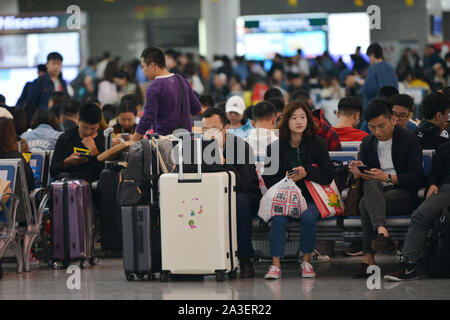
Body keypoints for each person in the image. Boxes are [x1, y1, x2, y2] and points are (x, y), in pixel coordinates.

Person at [349, 99, 424, 278]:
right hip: (377, 194)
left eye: (381, 126)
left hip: (403, 194)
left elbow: (417, 177)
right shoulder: (368, 143)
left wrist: (389, 178)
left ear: (393, 120)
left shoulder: (408, 139)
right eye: (373, 127)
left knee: (364, 204)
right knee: (369, 184)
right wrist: (357, 172)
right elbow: (364, 177)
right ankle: (382, 232)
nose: (378, 132)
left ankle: (369, 259)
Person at [262, 101, 334, 279]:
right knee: (278, 219)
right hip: (284, 197)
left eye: (302, 117)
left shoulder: (318, 143)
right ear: (286, 121)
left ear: (308, 120)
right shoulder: (275, 147)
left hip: (310, 197)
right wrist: (286, 177)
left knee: (309, 217)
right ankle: (275, 265)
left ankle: (307, 261)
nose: (299, 121)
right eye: (293, 118)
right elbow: (268, 178)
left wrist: (307, 171)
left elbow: (327, 175)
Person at [201, 107, 261, 278]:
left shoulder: (240, 147)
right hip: (211, 194)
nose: (209, 134)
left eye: (214, 129)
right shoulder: (199, 147)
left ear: (226, 127)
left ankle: (245, 258)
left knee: (239, 203)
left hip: (243, 194)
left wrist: (223, 164)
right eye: (205, 130)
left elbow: (246, 183)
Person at [385, 140, 450, 281]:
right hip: (447, 189)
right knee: (420, 215)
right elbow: (435, 173)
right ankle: (408, 265)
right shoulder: (445, 148)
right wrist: (432, 184)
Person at [131, 47, 201, 140]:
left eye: (143, 66)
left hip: (165, 143)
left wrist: (132, 141)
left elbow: (148, 118)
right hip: (186, 141)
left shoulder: (154, 87)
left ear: (152, 65)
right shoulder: (181, 79)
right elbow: (196, 108)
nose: (143, 70)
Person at [50, 103, 105, 183]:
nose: (88, 132)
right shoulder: (66, 138)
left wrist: (94, 150)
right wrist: (67, 162)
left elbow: (103, 172)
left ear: (98, 125)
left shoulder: (103, 139)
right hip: (68, 181)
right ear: (78, 121)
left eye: (93, 129)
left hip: (93, 183)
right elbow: (53, 170)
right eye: (85, 127)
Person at [245, 101, 279, 194]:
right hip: (276, 197)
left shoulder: (242, 144)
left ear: (252, 123)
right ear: (274, 119)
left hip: (251, 197)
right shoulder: (282, 143)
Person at [361, 43, 398, 107]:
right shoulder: (391, 68)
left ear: (372, 55)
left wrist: (363, 85)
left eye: (369, 56)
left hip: (376, 107)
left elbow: (369, 90)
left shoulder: (373, 69)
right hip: (391, 105)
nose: (369, 59)